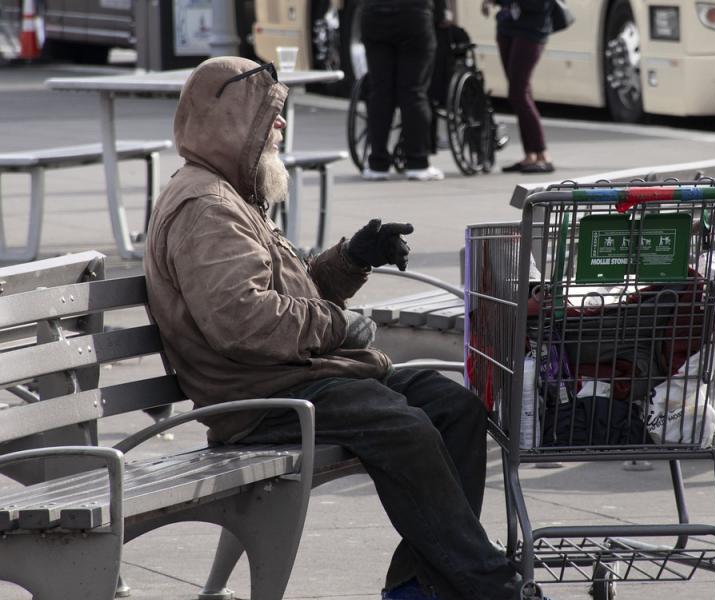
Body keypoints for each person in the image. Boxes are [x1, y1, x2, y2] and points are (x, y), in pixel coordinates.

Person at [144, 56, 533, 600]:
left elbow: (287, 294)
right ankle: (491, 588)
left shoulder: (231, 194)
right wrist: (340, 326)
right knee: (405, 428)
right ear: (231, 123)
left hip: (297, 376)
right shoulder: (206, 207)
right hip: (258, 398)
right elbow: (244, 322)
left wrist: (351, 259)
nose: (280, 126)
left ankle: (419, 584)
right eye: (269, 115)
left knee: (455, 409)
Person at [361, 0, 451, 181]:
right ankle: (417, 162)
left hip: (374, 15)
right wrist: (441, 14)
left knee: (380, 92)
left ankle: (377, 163)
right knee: (413, 91)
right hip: (414, 15)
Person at [483, 0, 555, 174]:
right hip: (507, 27)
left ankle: (543, 154)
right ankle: (530, 155)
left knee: (518, 92)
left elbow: (539, 5)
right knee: (520, 92)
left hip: (532, 30)